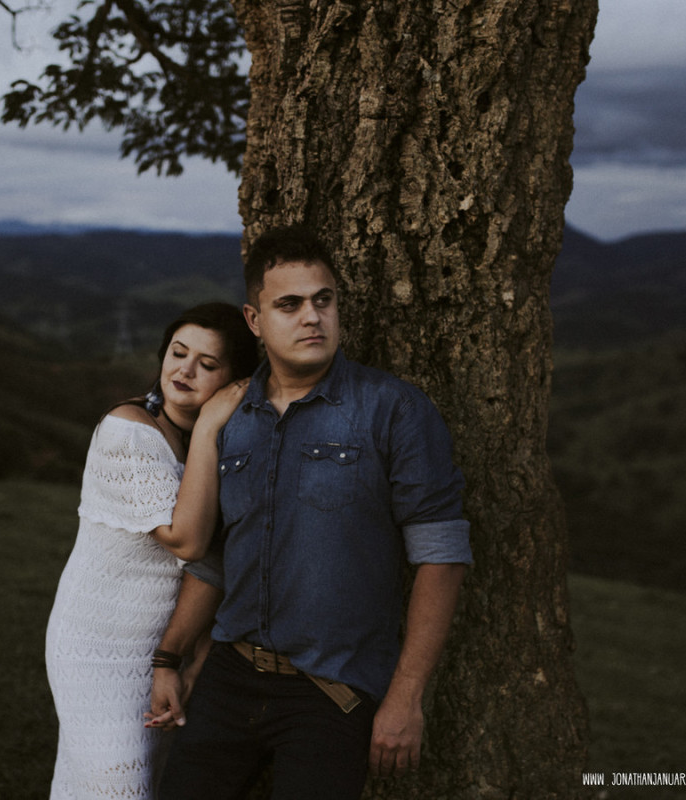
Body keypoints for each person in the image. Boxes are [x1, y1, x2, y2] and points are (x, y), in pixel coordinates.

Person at [149, 226, 473, 799]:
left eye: (323, 300)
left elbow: (441, 557)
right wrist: (170, 657)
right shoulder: (233, 417)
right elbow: (218, 556)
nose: (312, 318)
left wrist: (405, 695)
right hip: (229, 677)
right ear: (255, 321)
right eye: (290, 304)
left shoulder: (393, 410)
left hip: (332, 692)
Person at [45, 302, 260, 800]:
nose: (184, 370)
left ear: (233, 381)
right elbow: (187, 540)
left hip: (165, 648)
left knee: (146, 781)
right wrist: (208, 427)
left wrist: (188, 661)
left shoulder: (218, 445)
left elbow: (216, 565)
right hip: (97, 646)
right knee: (115, 785)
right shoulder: (129, 431)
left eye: (207, 364)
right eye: (178, 353)